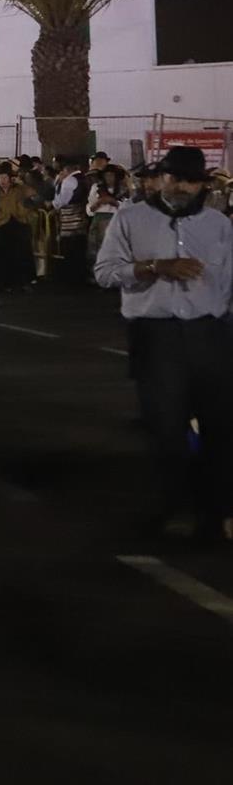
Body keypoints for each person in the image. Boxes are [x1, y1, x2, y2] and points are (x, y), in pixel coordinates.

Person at [94, 146, 233, 540]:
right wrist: (154, 267)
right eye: (176, 179)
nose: (184, 187)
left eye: (192, 180)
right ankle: (169, 508)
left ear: (203, 184)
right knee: (167, 430)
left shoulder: (218, 225)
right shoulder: (131, 218)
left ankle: (217, 513)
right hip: (157, 338)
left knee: (220, 429)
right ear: (161, 179)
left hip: (211, 334)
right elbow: (105, 272)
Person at [0, 165, 36, 294]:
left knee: (20, 254)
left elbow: (32, 193)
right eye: (0, 177)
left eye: (5, 177)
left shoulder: (18, 190)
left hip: (17, 222)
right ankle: (1, 284)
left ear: (10, 179)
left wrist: (21, 183)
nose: (3, 180)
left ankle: (22, 282)